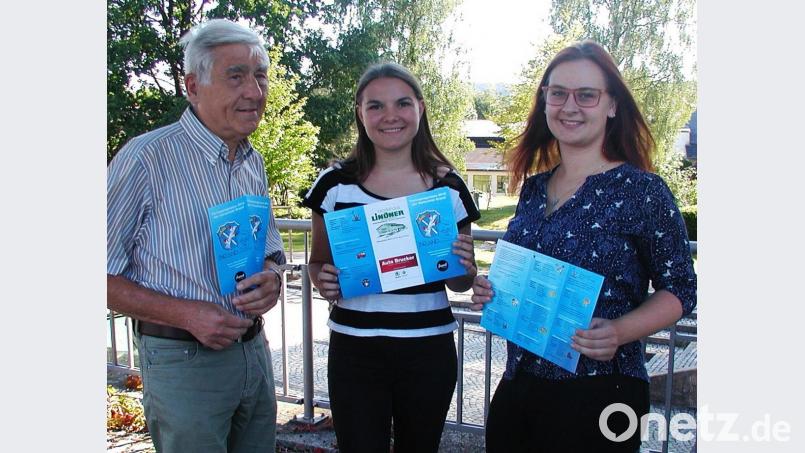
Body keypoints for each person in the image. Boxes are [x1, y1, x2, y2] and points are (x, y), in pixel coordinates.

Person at [470, 41, 697, 452]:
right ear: (544, 103)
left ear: (612, 106)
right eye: (557, 93)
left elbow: (681, 288)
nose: (569, 106)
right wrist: (492, 288)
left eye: (586, 95)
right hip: (519, 386)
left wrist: (619, 331)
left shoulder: (642, 191)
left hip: (601, 394)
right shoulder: (535, 189)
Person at [107, 19, 285, 453]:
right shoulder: (145, 158)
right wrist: (187, 314)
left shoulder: (252, 161)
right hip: (183, 362)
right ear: (192, 85)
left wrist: (273, 279)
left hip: (253, 355)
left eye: (260, 75)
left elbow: (271, 250)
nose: (254, 91)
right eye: (236, 76)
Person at [302, 62, 481, 453]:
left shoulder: (447, 187)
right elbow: (317, 262)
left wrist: (466, 266)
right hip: (355, 350)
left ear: (420, 107)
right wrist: (322, 278)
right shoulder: (334, 184)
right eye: (375, 106)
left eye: (402, 103)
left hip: (427, 350)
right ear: (360, 113)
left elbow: (460, 282)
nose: (390, 116)